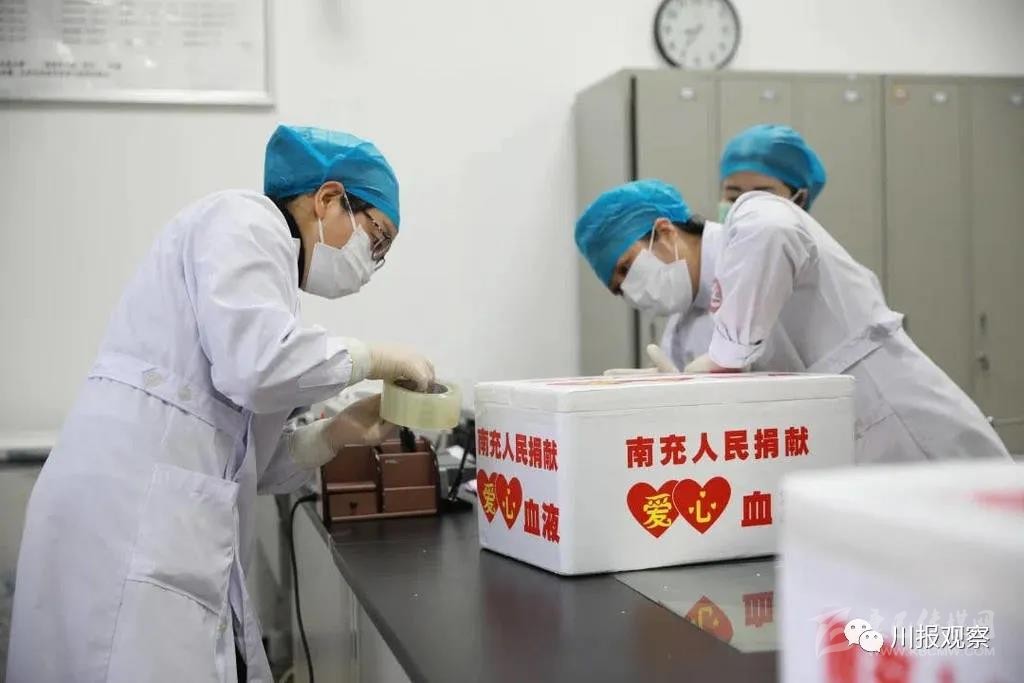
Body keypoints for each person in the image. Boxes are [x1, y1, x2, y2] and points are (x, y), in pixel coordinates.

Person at [7, 125, 436, 683]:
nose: (371, 262)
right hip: (124, 518)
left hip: (162, 520)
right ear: (329, 198)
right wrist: (374, 357)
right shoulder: (244, 220)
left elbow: (248, 463)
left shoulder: (268, 289)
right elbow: (257, 368)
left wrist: (336, 433)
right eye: (376, 238)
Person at [575, 176, 1010, 464]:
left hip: (900, 419)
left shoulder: (748, 225)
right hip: (833, 453)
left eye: (627, 267)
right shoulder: (682, 328)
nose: (631, 289)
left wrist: (725, 357)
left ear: (665, 231)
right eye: (618, 287)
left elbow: (775, 233)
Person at [661, 124, 828, 370]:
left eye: (761, 195)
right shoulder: (716, 270)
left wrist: (724, 362)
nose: (745, 207)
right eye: (733, 196)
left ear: (799, 199)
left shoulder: (810, 263)